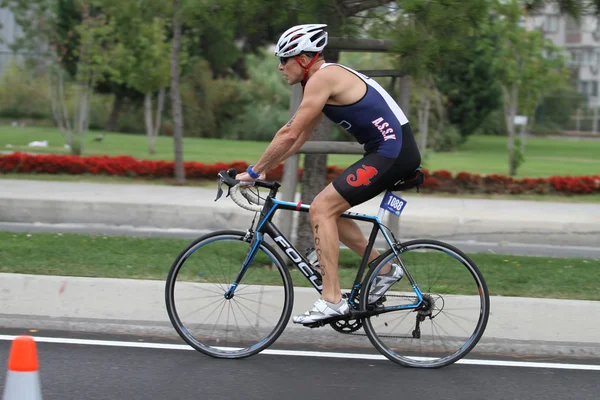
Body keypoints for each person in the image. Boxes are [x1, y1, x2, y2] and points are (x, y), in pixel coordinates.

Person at [235, 23, 422, 324]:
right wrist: (263, 169)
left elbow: (287, 132)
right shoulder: (322, 79)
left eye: (286, 59)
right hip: (390, 151)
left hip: (392, 152)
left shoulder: (322, 78)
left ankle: (332, 299)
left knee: (321, 208)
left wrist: (254, 171)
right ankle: (383, 269)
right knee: (329, 210)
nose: (281, 66)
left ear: (305, 58)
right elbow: (298, 138)